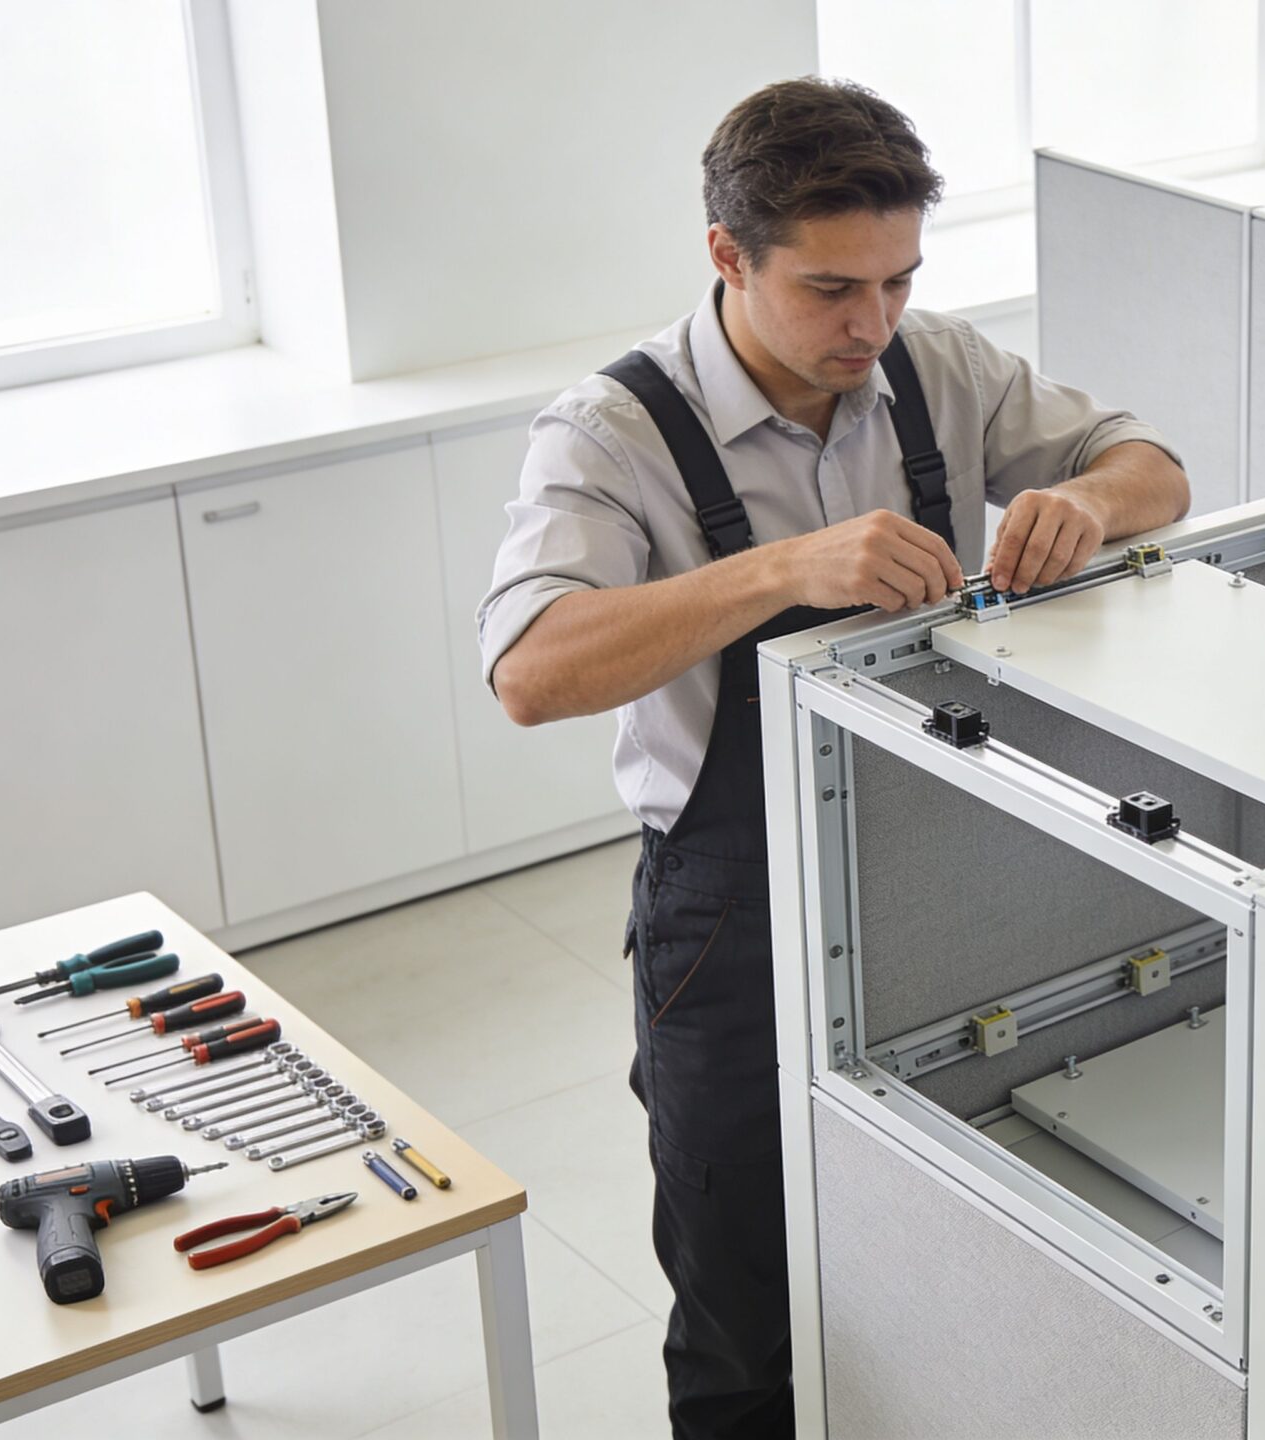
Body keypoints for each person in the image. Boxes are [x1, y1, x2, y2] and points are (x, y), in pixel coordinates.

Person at [477, 78, 1189, 1437]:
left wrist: (1083, 501)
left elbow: (1153, 468)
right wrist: (781, 567)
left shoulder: (939, 370)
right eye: (830, 290)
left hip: (939, 874)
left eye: (900, 281)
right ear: (727, 258)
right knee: (745, 1306)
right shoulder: (609, 432)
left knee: (949, 1247)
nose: (873, 325)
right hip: (727, 923)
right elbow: (531, 670)